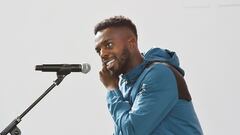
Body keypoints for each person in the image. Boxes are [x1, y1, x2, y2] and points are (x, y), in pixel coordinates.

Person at [94, 16, 203, 135]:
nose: (102, 54)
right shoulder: (125, 83)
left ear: (131, 43)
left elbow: (132, 131)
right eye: (98, 50)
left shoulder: (160, 75)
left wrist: (112, 89)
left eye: (109, 45)